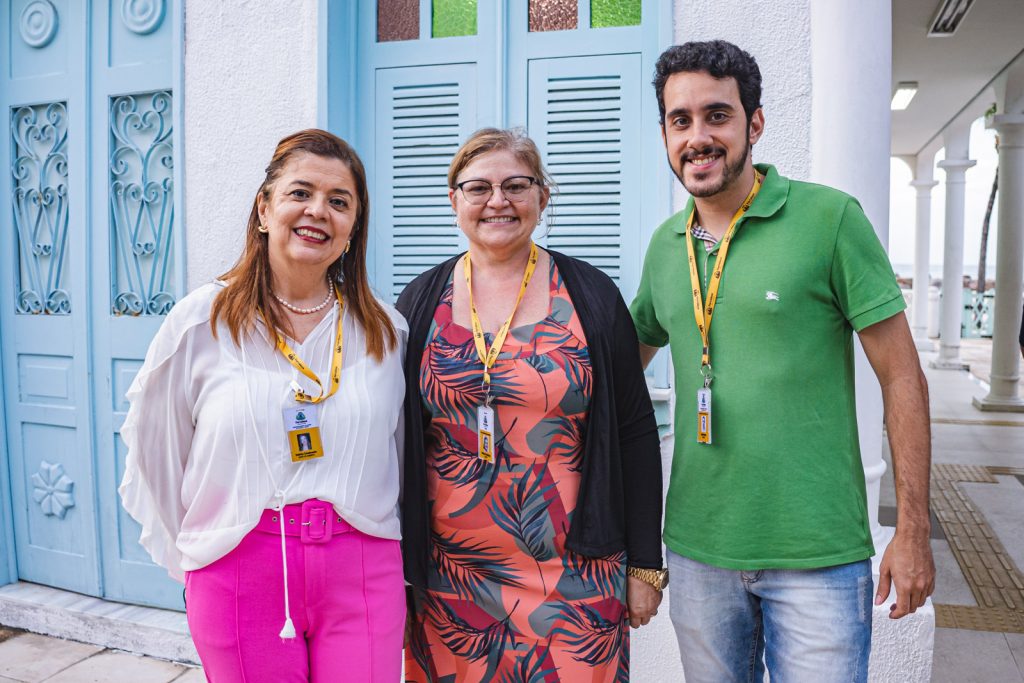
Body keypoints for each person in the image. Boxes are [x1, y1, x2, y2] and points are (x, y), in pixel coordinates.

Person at [630, 41, 935, 682]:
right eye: (680, 121)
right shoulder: (665, 247)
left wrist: (911, 532)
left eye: (718, 115)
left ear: (755, 123)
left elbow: (902, 376)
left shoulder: (830, 221)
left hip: (817, 555)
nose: (698, 137)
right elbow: (613, 367)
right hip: (698, 551)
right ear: (663, 132)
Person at [119, 129, 407, 682]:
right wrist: (204, 551)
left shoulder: (385, 331)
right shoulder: (201, 322)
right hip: (240, 569)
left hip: (362, 572)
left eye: (339, 201)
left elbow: (401, 453)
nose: (317, 211)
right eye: (301, 193)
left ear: (353, 226)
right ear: (264, 208)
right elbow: (156, 450)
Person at [396, 128, 666, 682]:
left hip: (577, 573)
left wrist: (645, 564)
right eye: (479, 188)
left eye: (517, 185)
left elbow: (636, 433)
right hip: (451, 578)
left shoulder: (591, 294)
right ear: (455, 201)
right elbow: (394, 440)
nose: (498, 201)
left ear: (543, 197)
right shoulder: (421, 300)